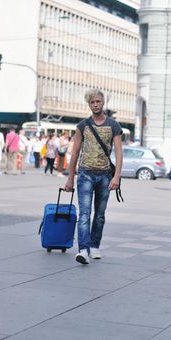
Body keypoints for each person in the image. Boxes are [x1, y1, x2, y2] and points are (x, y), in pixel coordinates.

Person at [65, 89, 123, 264]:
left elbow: (119, 153)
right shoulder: (82, 126)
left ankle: (95, 245)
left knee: (100, 214)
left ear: (103, 102)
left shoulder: (114, 125)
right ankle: (83, 249)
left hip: (105, 176)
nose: (95, 104)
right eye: (92, 102)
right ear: (89, 104)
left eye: (98, 101)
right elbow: (75, 152)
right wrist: (69, 178)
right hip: (85, 175)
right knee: (84, 213)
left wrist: (117, 177)